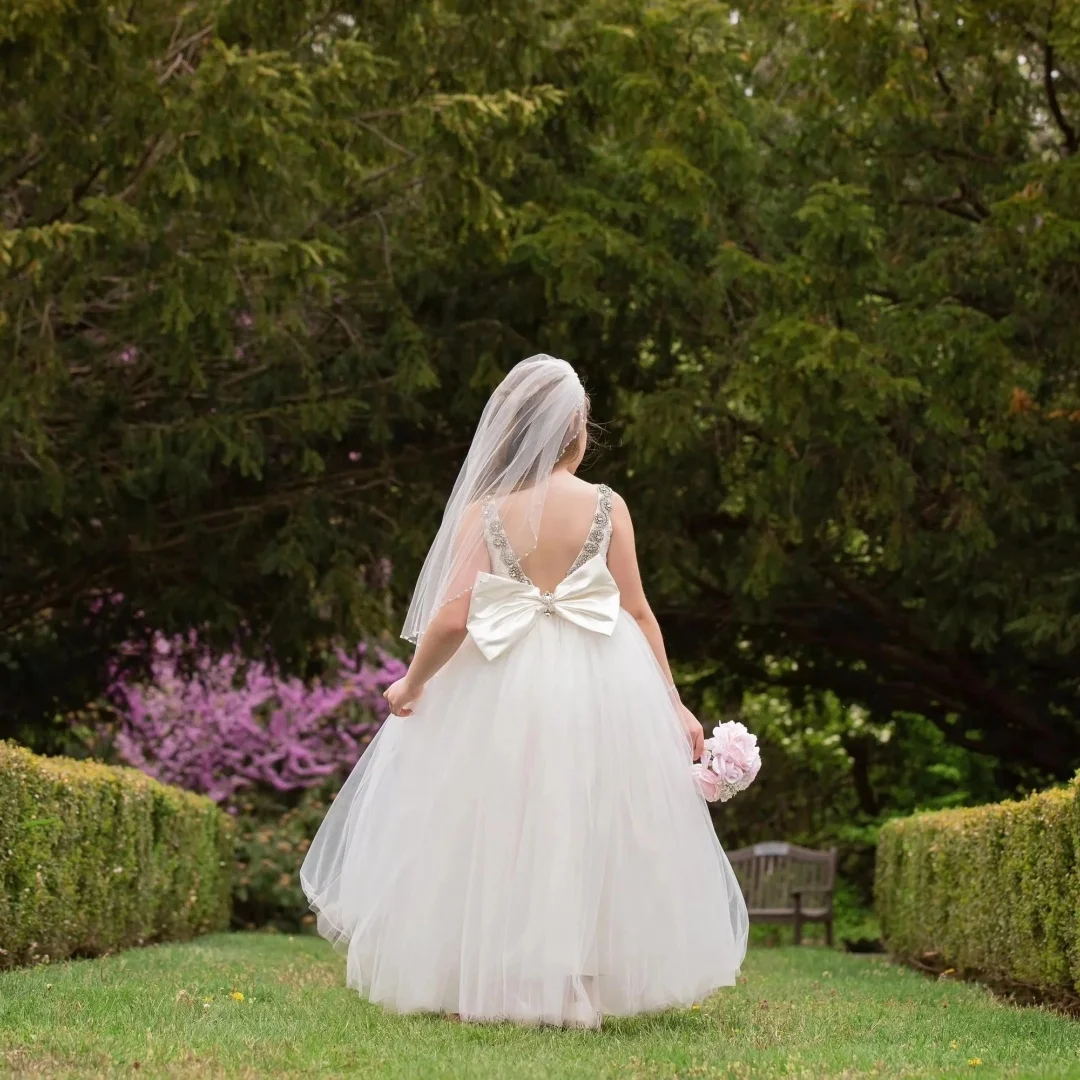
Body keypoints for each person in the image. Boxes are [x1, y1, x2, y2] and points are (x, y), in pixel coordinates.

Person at [300, 354, 748, 1028]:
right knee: (588, 821)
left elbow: (453, 617)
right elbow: (637, 610)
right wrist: (673, 700)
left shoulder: (486, 511)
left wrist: (411, 684)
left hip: (501, 677)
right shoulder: (607, 505)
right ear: (577, 431)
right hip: (602, 681)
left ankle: (489, 981)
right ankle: (580, 985)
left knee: (497, 822)